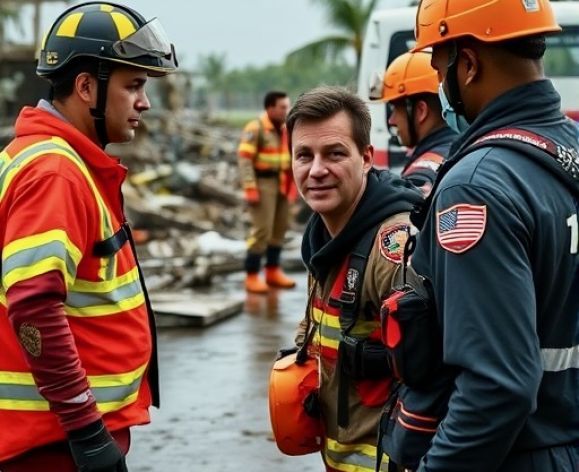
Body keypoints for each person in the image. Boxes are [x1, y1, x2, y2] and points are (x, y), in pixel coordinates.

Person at [402, 0, 579, 470]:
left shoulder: (476, 186)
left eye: (441, 69)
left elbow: (497, 388)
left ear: (469, 63)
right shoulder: (570, 150)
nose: (441, 86)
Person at [0, 3, 177, 471]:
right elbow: (33, 306)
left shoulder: (57, 161)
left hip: (61, 436)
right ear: (85, 87)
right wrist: (86, 430)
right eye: (133, 85)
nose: (145, 102)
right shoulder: (54, 173)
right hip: (52, 445)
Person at [286, 86, 422, 472]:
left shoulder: (394, 248)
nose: (316, 170)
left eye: (334, 153)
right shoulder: (324, 236)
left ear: (365, 158)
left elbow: (436, 381)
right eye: (303, 156)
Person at [371, 51, 456, 196]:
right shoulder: (457, 149)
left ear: (421, 111)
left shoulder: (420, 176)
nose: (391, 121)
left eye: (396, 110)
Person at [238, 90, 297, 294]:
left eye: (287, 107)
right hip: (263, 184)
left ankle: (273, 271)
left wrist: (293, 187)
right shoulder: (256, 128)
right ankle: (252, 275)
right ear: (270, 108)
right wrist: (250, 188)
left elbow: (292, 159)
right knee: (261, 231)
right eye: (282, 107)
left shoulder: (285, 130)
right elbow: (245, 160)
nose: (285, 111)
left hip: (281, 182)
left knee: (279, 230)